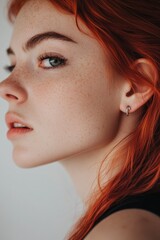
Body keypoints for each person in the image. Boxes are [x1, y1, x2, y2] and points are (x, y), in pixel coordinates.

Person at [0, 0, 160, 239]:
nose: (6, 87)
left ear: (135, 86)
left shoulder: (123, 232)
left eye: (50, 60)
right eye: (11, 65)